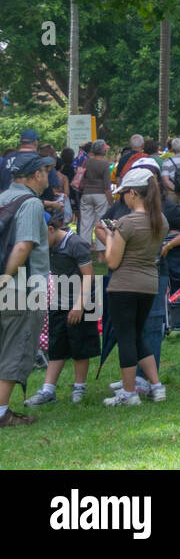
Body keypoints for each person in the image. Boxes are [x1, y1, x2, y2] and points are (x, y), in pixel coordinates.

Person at [102, 167, 168, 406]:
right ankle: (156, 386)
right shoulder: (161, 220)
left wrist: (109, 236)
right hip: (149, 284)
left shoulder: (127, 223)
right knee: (138, 335)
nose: (122, 198)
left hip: (124, 286)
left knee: (126, 337)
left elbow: (112, 261)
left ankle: (129, 393)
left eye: (123, 194)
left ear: (132, 193)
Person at [0, 152, 55, 427]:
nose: (48, 175)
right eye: (46, 170)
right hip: (23, 289)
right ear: (36, 174)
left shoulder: (2, 198)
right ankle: (1, 413)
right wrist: (6, 276)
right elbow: (24, 245)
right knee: (16, 350)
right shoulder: (31, 203)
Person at [24, 212, 97, 407]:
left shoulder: (76, 244)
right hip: (58, 302)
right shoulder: (47, 247)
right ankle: (48, 390)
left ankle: (79, 387)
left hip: (81, 302)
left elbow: (89, 276)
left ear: (51, 229)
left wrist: (79, 306)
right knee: (57, 347)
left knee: (80, 347)